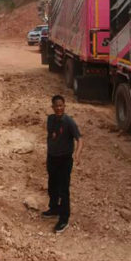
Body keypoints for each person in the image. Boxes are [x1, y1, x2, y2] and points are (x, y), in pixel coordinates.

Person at [44, 94, 82, 233]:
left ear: (64, 106)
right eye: (56, 106)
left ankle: (64, 219)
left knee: (63, 190)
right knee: (52, 186)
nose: (59, 108)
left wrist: (77, 153)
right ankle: (54, 208)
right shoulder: (50, 120)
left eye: (61, 105)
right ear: (52, 107)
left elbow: (80, 139)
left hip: (64, 160)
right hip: (52, 158)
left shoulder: (69, 122)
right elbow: (52, 137)